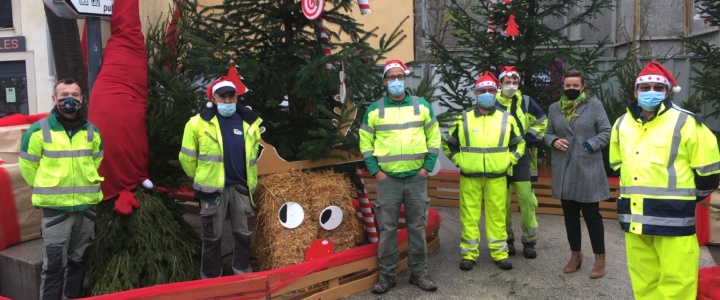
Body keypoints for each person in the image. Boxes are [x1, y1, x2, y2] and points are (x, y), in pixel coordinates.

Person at [609, 62, 720, 299]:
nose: (651, 92)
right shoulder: (621, 124)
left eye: (657, 87)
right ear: (635, 92)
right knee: (644, 282)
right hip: (635, 219)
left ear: (667, 91)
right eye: (645, 87)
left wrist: (687, 199)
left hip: (674, 219)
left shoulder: (687, 122)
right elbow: (619, 166)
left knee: (677, 283)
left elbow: (709, 175)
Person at [359, 59, 440, 294]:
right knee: (387, 230)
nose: (396, 81)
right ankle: (386, 277)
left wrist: (427, 168)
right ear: (384, 81)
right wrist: (376, 171)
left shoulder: (422, 106)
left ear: (406, 78)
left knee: (417, 227)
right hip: (389, 181)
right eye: (391, 77)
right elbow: (365, 143)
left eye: (400, 77)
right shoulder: (374, 110)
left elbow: (434, 139)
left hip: (416, 178)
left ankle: (419, 274)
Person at [19, 78, 103, 300]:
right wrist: (46, 190)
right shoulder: (38, 132)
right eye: (64, 95)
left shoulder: (92, 132)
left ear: (82, 98)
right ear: (54, 99)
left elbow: (96, 162)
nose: (70, 100)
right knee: (54, 267)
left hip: (86, 210)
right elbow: (28, 169)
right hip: (56, 213)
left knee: (78, 262)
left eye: (74, 95)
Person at [179, 77, 263, 278]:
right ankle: (211, 278)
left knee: (244, 234)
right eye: (222, 97)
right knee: (212, 237)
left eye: (231, 96)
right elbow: (186, 158)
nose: (227, 101)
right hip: (212, 191)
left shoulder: (248, 122)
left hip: (241, 187)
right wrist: (201, 177)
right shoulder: (197, 124)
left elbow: (252, 157)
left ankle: (242, 274)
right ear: (214, 99)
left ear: (236, 97)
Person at [443, 71, 525, 271]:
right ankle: (469, 255)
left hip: (497, 176)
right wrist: (460, 161)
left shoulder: (507, 119)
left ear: (496, 92)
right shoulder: (463, 119)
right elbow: (449, 145)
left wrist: (508, 161)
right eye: (482, 90)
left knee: (497, 215)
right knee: (469, 216)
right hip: (470, 176)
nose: (486, 93)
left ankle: (500, 254)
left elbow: (519, 145)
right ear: (475, 93)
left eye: (490, 90)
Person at [544, 69, 611, 279]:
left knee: (592, 216)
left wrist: (590, 145)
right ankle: (576, 255)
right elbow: (548, 133)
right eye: (567, 86)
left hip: (587, 169)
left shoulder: (594, 105)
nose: (571, 89)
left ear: (582, 87)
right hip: (564, 170)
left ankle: (600, 258)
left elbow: (606, 131)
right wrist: (553, 141)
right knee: (570, 217)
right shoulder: (554, 109)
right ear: (563, 87)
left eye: (575, 86)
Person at [495, 66, 547, 258]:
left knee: (526, 200)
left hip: (523, 158)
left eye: (514, 82)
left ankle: (529, 241)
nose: (511, 86)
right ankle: (507, 239)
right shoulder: (493, 102)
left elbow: (542, 121)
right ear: (500, 84)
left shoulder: (525, 101)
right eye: (507, 82)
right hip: (501, 159)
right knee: (503, 202)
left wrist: (528, 138)